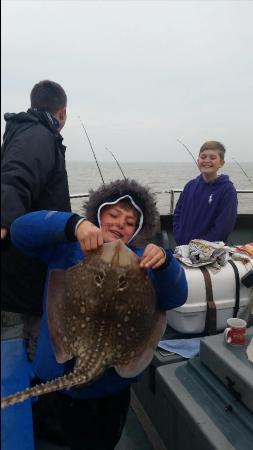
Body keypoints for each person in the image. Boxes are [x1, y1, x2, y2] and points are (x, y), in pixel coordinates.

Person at [10, 178, 188, 450]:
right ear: (98, 214)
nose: (120, 224)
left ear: (139, 229)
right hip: (58, 385)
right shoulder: (68, 248)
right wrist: (73, 225)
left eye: (130, 222)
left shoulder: (144, 262)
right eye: (113, 214)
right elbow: (20, 231)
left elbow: (176, 296)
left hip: (110, 392)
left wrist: (166, 263)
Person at [173, 140, 238, 245]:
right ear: (198, 160)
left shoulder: (227, 190)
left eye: (212, 158)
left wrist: (200, 246)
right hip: (183, 248)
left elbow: (223, 226)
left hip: (208, 253)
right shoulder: (190, 186)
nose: (207, 160)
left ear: (221, 163)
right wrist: (178, 235)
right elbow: (178, 213)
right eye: (203, 157)